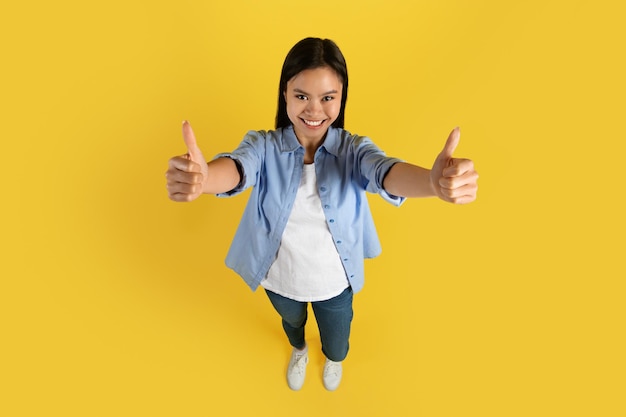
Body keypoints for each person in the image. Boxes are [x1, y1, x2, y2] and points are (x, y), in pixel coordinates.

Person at [165, 37, 478, 391]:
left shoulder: (354, 150)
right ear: (285, 94)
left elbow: (385, 172)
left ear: (341, 98)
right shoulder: (264, 145)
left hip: (335, 282)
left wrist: (432, 183)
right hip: (279, 278)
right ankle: (298, 350)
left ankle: (332, 358)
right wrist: (204, 179)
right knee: (292, 324)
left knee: (338, 338)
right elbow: (238, 168)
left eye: (327, 97)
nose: (314, 111)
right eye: (302, 96)